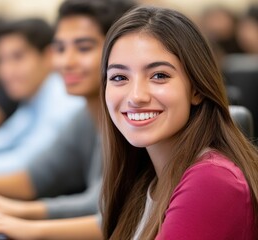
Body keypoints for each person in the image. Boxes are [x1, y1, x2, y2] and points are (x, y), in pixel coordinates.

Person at [0, 0, 135, 239]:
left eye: (83, 48)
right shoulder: (84, 115)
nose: (65, 61)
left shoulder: (126, 118)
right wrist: (14, 211)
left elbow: (108, 212)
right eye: (59, 49)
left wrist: (24, 223)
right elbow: (36, 176)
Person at [101, 6, 258, 239]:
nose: (136, 96)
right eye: (119, 77)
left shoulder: (212, 181)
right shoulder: (147, 179)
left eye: (159, 75)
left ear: (197, 88)